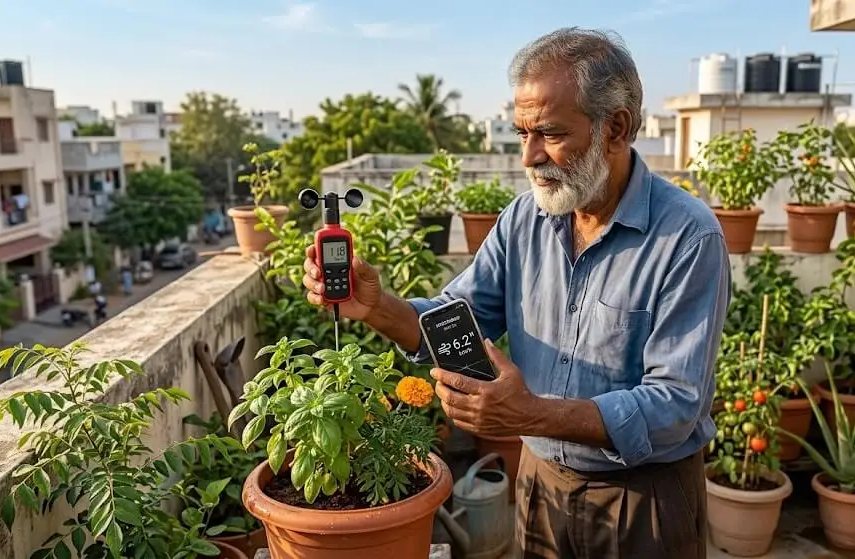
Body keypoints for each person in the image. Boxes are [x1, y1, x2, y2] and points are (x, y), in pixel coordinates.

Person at [302, 27, 730, 559]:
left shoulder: (688, 237)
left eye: (549, 133)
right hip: (540, 483)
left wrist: (529, 414)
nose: (529, 156)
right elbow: (458, 325)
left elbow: (674, 406)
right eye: (521, 133)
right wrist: (377, 307)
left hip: (643, 501)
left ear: (615, 128)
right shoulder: (525, 219)